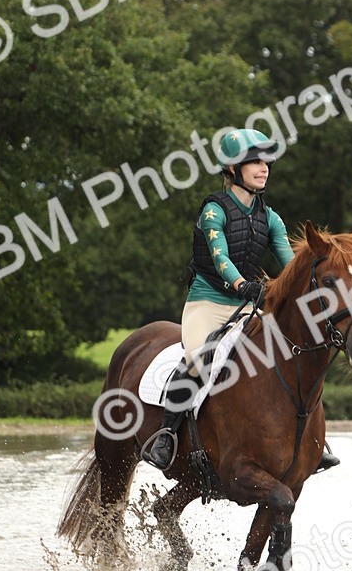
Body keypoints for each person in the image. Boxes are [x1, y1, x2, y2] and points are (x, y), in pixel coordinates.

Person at [143, 127, 340, 472]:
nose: (264, 167)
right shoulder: (213, 211)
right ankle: (167, 435)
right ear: (234, 169)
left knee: (289, 353)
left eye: (266, 161)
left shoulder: (271, 218)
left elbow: (290, 266)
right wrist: (240, 284)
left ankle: (312, 439)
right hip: (208, 304)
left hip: (248, 308)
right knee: (198, 358)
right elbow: (220, 258)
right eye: (254, 161)